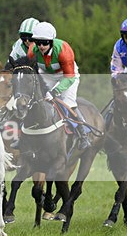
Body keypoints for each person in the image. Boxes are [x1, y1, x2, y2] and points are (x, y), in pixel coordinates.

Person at [26, 21, 91, 149]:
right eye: (38, 42)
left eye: (44, 43)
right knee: (35, 99)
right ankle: (25, 135)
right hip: (46, 74)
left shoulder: (63, 50)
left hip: (67, 76)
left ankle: (83, 134)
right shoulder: (32, 51)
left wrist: (54, 92)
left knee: (68, 102)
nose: (41, 46)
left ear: (51, 41)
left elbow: (69, 77)